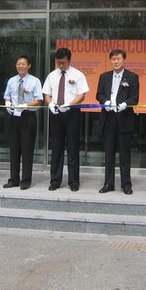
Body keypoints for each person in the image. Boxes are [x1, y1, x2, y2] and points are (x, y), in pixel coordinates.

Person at [42, 47, 89, 192]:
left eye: (63, 62)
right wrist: (50, 104)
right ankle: (55, 180)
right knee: (56, 147)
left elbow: (82, 95)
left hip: (72, 112)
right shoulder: (52, 75)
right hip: (56, 113)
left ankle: (73, 181)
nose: (60, 65)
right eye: (58, 62)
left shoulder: (78, 75)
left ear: (69, 60)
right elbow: (46, 94)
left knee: (73, 147)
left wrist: (69, 104)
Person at [95, 49, 140, 195]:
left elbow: (135, 97)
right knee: (109, 153)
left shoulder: (132, 77)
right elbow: (99, 94)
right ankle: (108, 183)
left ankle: (126, 184)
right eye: (113, 59)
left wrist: (125, 104)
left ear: (123, 60)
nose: (116, 61)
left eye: (118, 59)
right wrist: (106, 101)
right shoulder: (104, 76)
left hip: (124, 118)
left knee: (125, 154)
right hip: (108, 118)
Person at [2, 55, 43, 190]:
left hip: (27, 116)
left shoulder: (35, 81)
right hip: (13, 116)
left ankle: (25, 180)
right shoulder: (11, 81)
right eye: (18, 63)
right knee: (14, 149)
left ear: (29, 66)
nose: (20, 66)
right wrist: (7, 103)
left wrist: (25, 105)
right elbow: (7, 96)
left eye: (23, 64)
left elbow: (38, 100)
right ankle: (13, 179)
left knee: (27, 149)